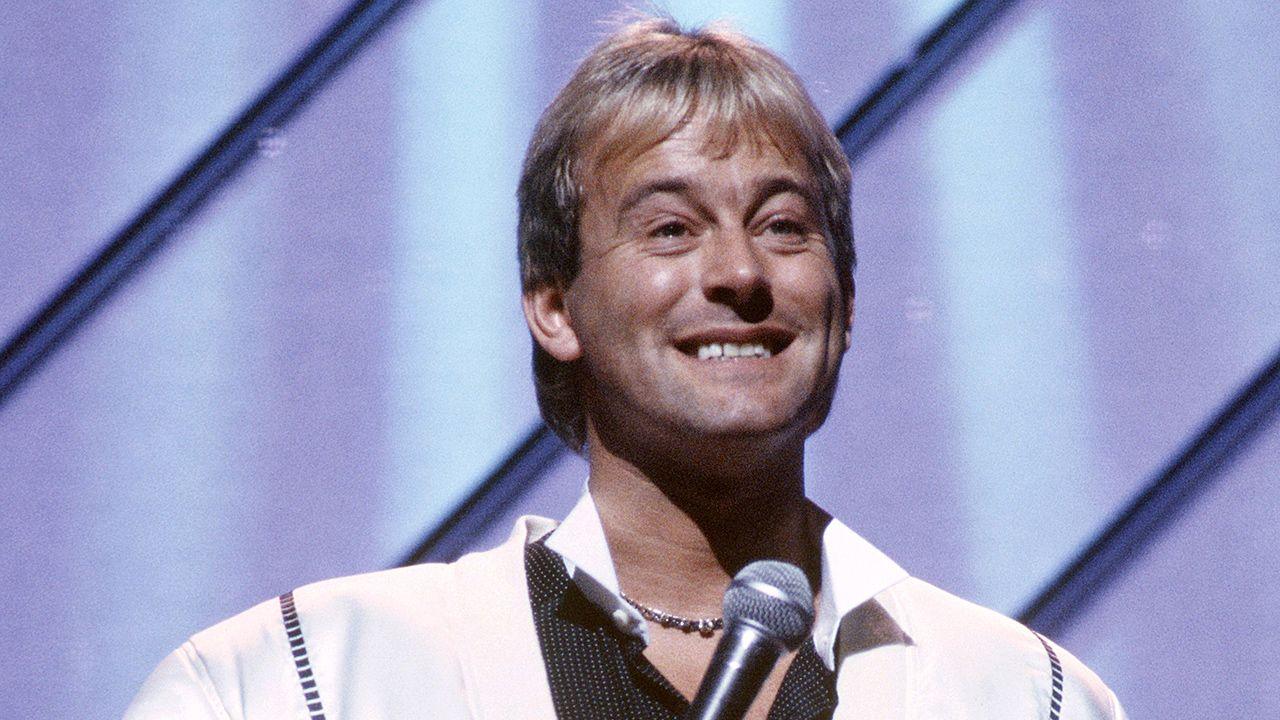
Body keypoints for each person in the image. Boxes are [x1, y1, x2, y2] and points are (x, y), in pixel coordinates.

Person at [126, 17, 1126, 720]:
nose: (737, 273)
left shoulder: (1022, 697)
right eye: (669, 227)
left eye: (783, 226)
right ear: (553, 306)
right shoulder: (299, 684)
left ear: (847, 302)